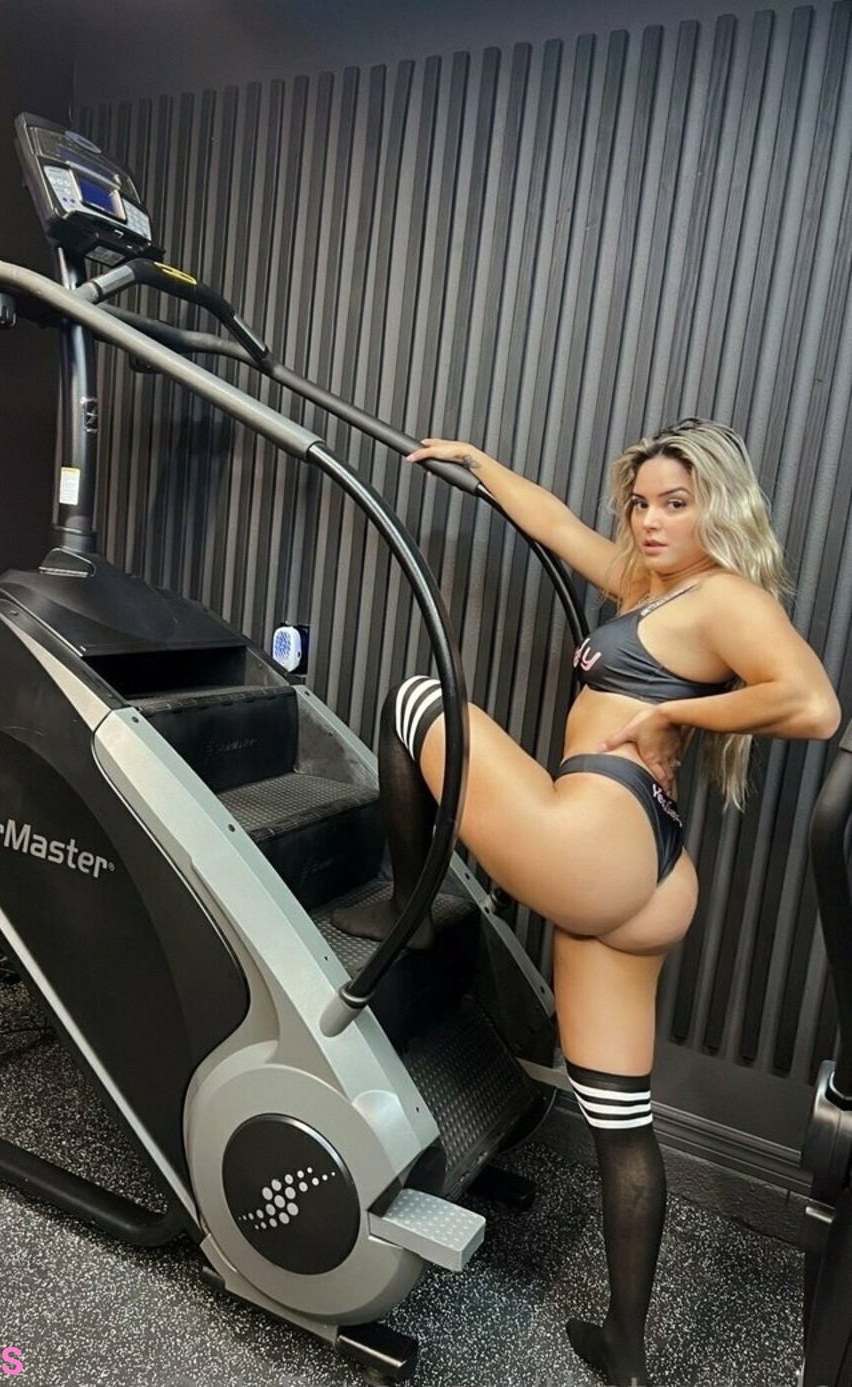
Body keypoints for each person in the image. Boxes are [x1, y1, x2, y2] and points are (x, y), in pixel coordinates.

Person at [334, 418, 841, 1387]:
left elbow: (815, 704)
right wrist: (478, 464)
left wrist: (670, 712)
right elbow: (560, 527)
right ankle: (625, 1352)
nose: (651, 520)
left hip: (598, 841)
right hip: (646, 876)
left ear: (718, 506)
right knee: (620, 1117)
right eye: (642, 502)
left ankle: (411, 907)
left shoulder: (724, 596)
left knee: (414, 701)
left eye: (676, 503)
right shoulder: (655, 585)